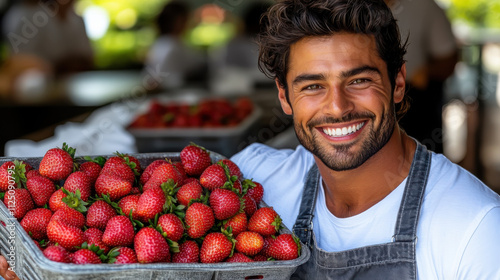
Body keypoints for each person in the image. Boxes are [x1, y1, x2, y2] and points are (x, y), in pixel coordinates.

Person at [229, 0, 500, 279]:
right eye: (313, 86)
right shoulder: (253, 180)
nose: (337, 107)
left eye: (359, 81)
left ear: (397, 83)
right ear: (285, 97)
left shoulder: (476, 228)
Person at [386, 0, 459, 153]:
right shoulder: (348, 6)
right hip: (365, 96)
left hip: (414, 102)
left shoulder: (424, 6)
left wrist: (425, 72)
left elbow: (449, 59)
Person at [144, 1, 205, 90]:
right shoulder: (172, 46)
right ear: (178, 21)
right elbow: (161, 79)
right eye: (187, 19)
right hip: (174, 94)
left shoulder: (161, 43)